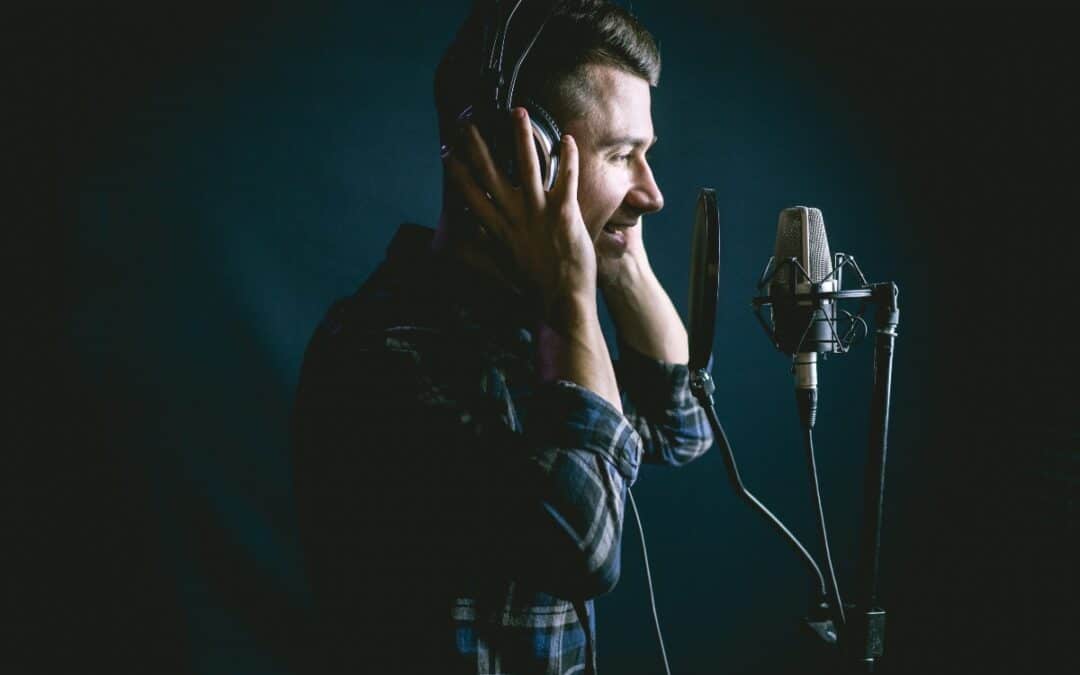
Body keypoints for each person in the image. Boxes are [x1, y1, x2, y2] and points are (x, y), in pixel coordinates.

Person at [291, 1, 713, 672]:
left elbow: (678, 422)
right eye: (622, 154)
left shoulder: (528, 332)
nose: (653, 192)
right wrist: (568, 295)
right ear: (518, 160)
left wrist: (620, 254)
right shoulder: (384, 355)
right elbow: (587, 541)